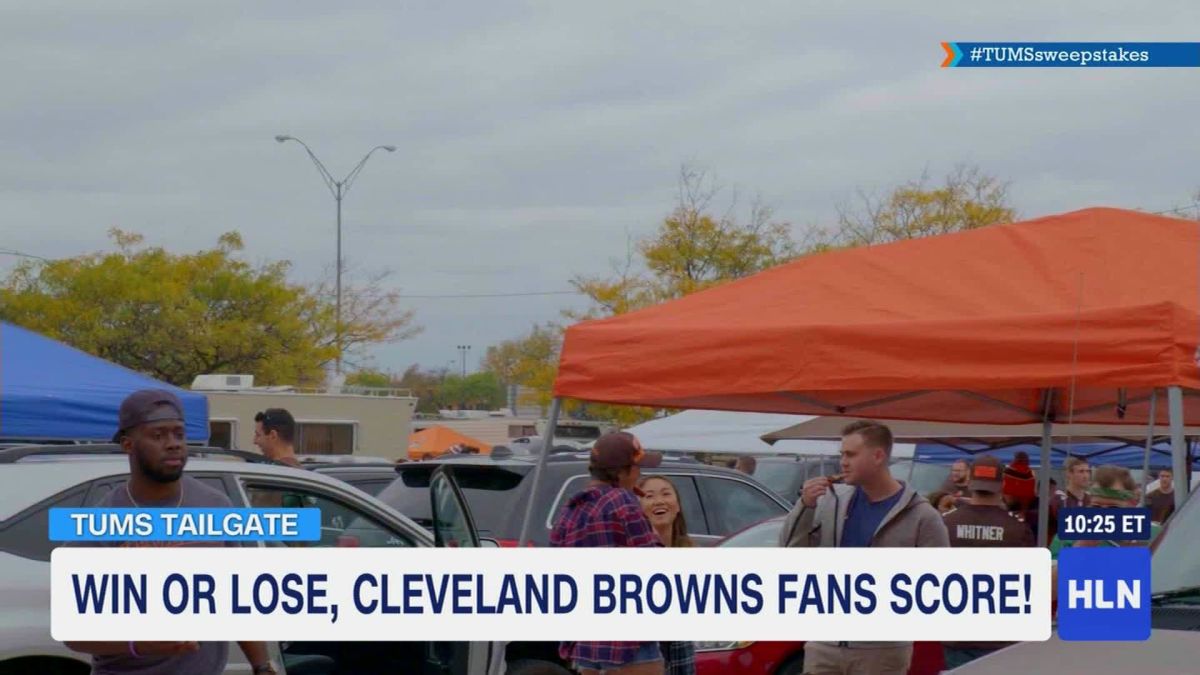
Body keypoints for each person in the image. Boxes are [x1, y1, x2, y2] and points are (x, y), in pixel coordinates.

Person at [64, 389, 277, 675]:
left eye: (179, 434)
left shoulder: (215, 506)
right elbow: (74, 634)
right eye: (158, 435)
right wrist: (141, 642)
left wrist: (262, 666)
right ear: (128, 444)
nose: (173, 444)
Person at [780, 420, 948, 675]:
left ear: (878, 456)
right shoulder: (831, 502)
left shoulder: (923, 516)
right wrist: (804, 507)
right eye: (842, 455)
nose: (843, 462)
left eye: (851, 454)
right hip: (824, 644)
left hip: (881, 650)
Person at [551, 432, 665, 675]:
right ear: (621, 472)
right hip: (629, 643)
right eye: (637, 468)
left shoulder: (571, 509)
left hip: (586, 641)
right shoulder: (623, 502)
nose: (640, 475)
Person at [940, 455, 1035, 668]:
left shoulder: (946, 523)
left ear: (971, 482)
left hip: (957, 632)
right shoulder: (1017, 528)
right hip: (1001, 635)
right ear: (1002, 484)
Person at [638, 476, 696, 675]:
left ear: (677, 506)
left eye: (666, 494)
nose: (659, 501)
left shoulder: (688, 554)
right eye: (649, 496)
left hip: (680, 656)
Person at [1049, 465, 1163, 558]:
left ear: (1131, 506)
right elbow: (1048, 582)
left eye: (1113, 508)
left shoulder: (1154, 534)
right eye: (1096, 507)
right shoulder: (1068, 536)